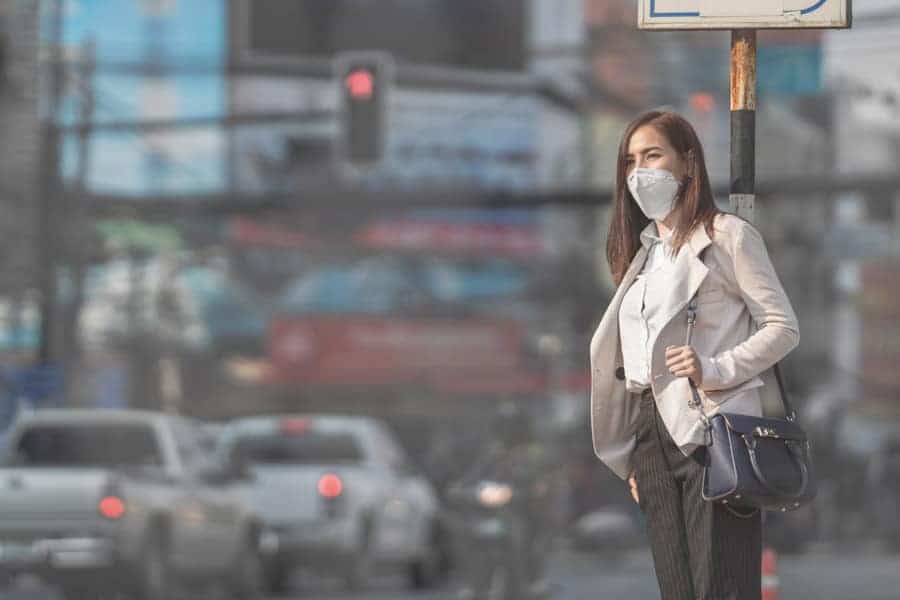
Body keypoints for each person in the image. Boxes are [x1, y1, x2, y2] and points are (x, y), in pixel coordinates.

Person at [589, 110, 799, 599]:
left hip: (715, 430)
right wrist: (634, 457)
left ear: (687, 163)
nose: (639, 171)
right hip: (649, 434)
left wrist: (715, 368)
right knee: (677, 590)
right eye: (630, 160)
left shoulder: (728, 236)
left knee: (720, 587)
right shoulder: (643, 253)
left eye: (652, 155)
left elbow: (782, 326)